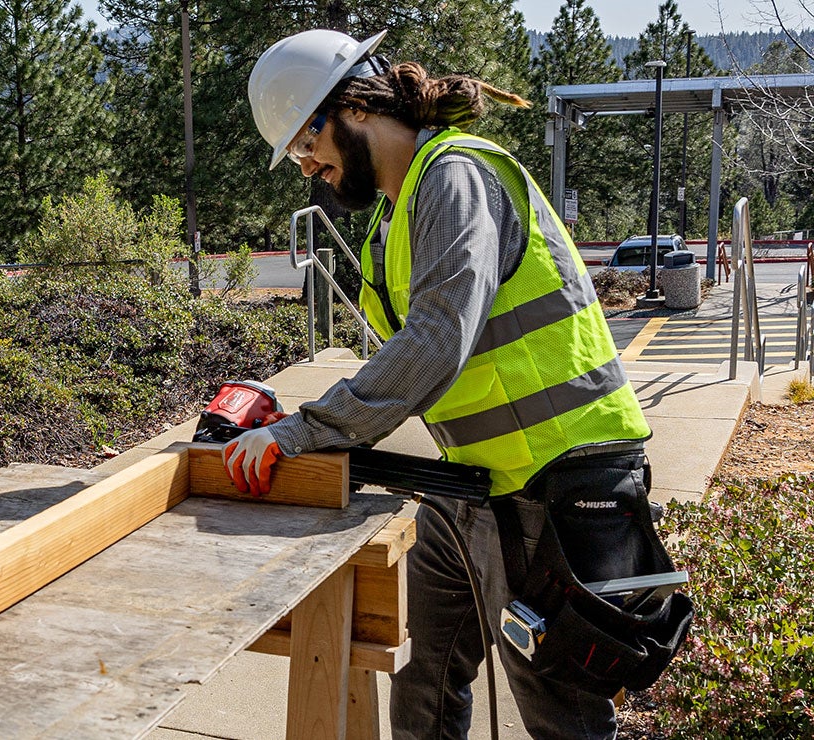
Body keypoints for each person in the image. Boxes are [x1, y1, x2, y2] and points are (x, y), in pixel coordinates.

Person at [238, 29, 688, 740]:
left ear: (351, 105)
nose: (306, 167)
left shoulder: (456, 175)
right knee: (423, 670)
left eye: (304, 143)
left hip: (559, 481)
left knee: (559, 709)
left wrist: (307, 430)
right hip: (475, 484)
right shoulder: (400, 209)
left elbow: (437, 339)